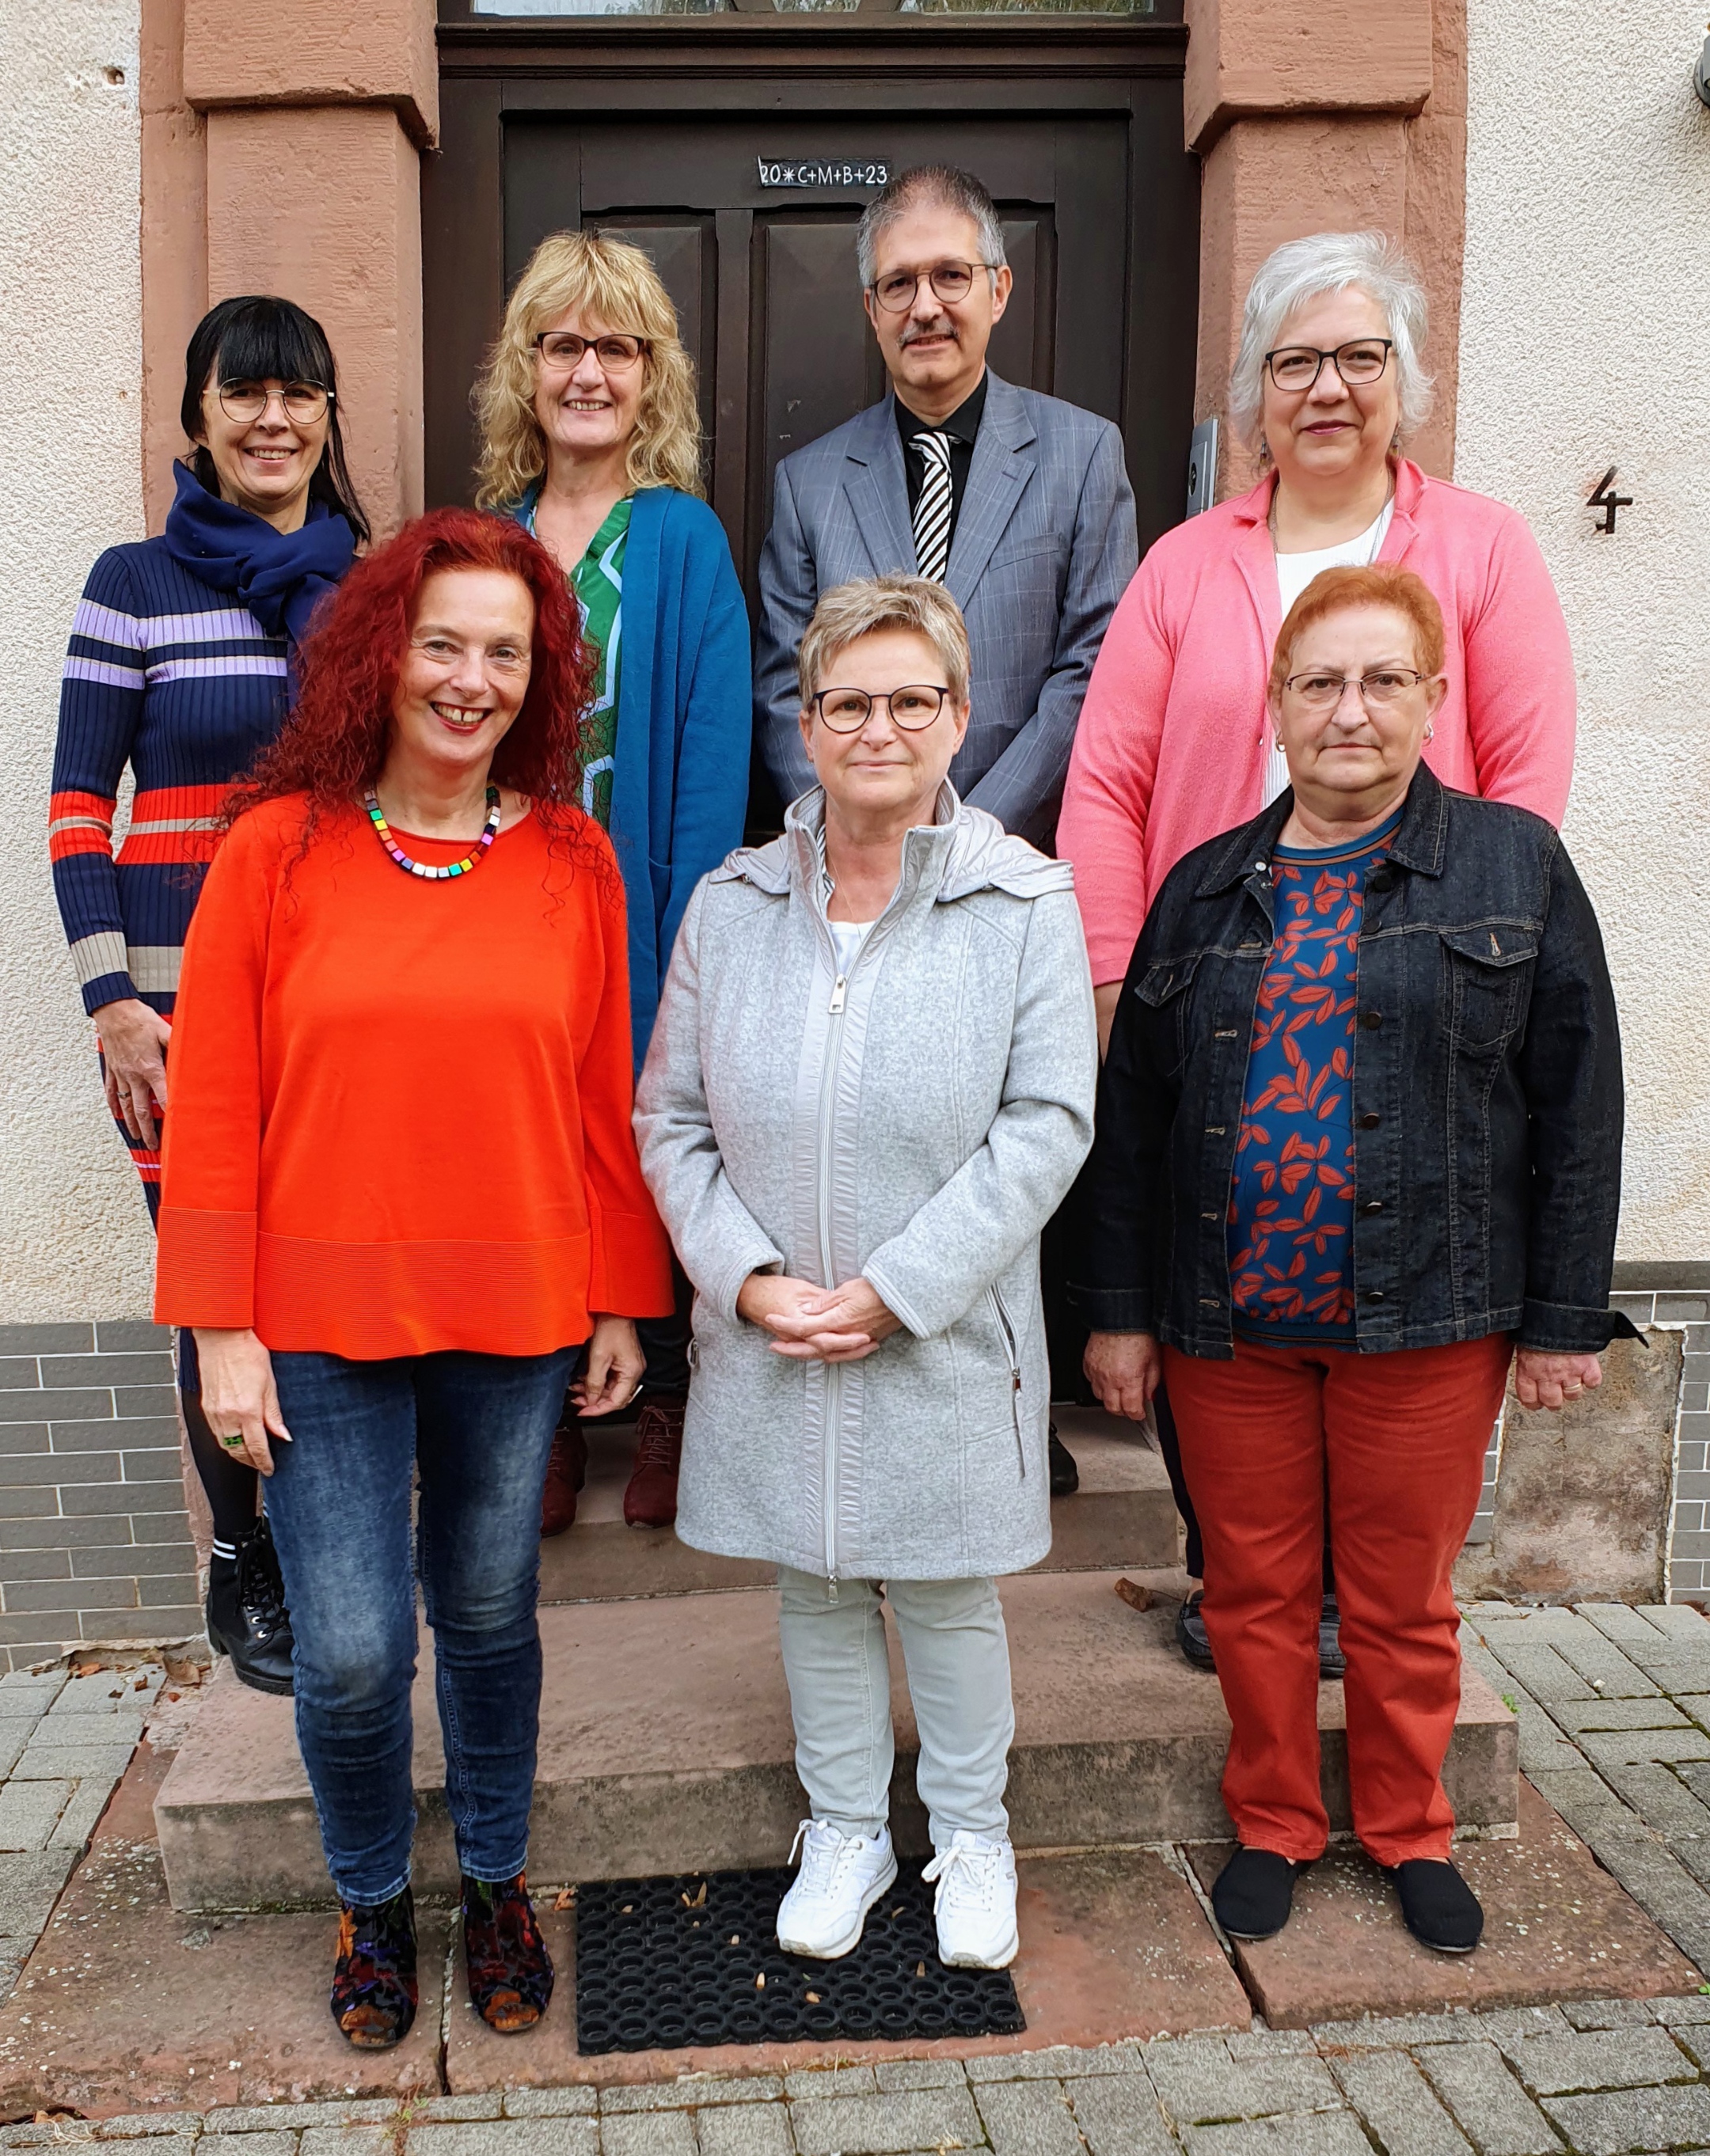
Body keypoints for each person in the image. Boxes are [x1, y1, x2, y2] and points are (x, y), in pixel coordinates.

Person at [153, 510, 673, 2048]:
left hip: (514, 1312)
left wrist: (625, 1296)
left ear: (541, 675)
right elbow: (219, 1105)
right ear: (382, 654)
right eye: (442, 643)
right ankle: (373, 1898)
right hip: (311, 1323)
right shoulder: (277, 850)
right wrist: (219, 1334)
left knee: (493, 1610)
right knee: (361, 1646)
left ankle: (498, 1880)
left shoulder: (572, 858)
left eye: (505, 651)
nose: (471, 679)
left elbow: (600, 1091)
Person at [1072, 563, 1634, 1956]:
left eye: (1385, 678)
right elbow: (1132, 1121)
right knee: (1252, 1591)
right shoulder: (1204, 889)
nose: (1351, 708)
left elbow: (1581, 1100)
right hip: (1231, 1323)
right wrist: (1120, 1313)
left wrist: (1564, 1317)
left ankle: (1408, 1824)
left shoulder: (1515, 865)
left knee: (1399, 1598)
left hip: (1431, 1316)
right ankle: (1273, 1817)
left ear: (1432, 698)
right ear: (1275, 704)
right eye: (1321, 680)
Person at [1057, 230, 1578, 1672]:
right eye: (1295, 361)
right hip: (1208, 1003)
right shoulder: (1184, 564)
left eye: (1359, 357)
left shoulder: (1480, 547)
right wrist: (1118, 978)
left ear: (1405, 381)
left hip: (1413, 1003)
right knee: (1211, 1294)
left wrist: (1487, 961)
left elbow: (1527, 782)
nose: (1328, 387)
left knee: (1393, 1297)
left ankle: (1369, 1602)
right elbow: (1105, 781)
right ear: (1253, 394)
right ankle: (1240, 1577)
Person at [636, 575, 1096, 1972]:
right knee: (816, 1583)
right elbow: (673, 1117)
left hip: (938, 1330)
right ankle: (845, 1820)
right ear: (809, 718)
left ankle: (971, 1830)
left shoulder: (1026, 901)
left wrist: (900, 1284)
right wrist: (747, 1275)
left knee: (945, 1587)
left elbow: (1048, 1120)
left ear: (958, 716)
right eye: (850, 700)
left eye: (912, 699)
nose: (879, 725)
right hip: (777, 1327)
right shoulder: (732, 903)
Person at [49, 295, 370, 1697]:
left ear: (325, 416)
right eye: (243, 393)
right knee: (216, 1276)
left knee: (315, 1264)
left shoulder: (371, 586)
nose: (272, 419)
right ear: (199, 418)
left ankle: (313, 1538)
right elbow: (75, 809)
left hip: (333, 991)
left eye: (298, 394)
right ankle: (243, 1553)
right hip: (174, 1003)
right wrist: (110, 997)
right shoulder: (133, 581)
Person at [473, 229, 752, 1535]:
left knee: (647, 1141)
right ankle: (538, 1413)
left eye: (616, 347)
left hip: (637, 898)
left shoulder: (683, 539)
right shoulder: (485, 542)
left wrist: (687, 924)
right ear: (527, 371)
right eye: (564, 344)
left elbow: (711, 747)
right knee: (523, 1151)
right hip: (504, 904)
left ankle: (666, 1398)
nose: (589, 369)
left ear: (651, 377)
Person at [756, 165, 1136, 853]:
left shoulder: (1082, 456)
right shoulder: (806, 484)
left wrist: (963, 835)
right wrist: (849, 829)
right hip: (850, 869)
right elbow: (787, 689)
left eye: (950, 276)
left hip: (1011, 862)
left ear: (999, 289)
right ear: (872, 309)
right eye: (898, 283)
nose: (924, 306)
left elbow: (1093, 668)